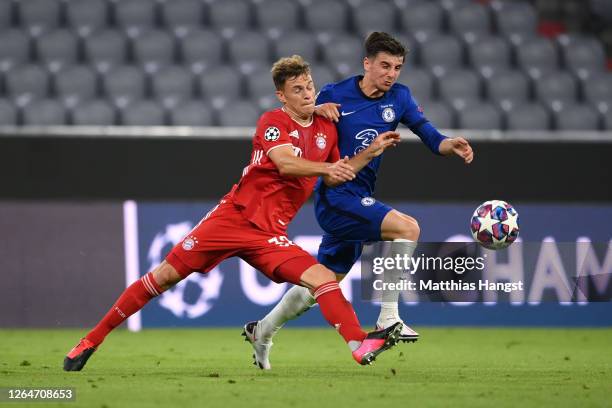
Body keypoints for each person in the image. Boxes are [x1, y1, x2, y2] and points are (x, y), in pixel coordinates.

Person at [63, 55, 404, 371]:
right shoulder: (273, 121)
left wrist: (368, 153)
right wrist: (326, 169)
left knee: (322, 278)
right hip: (232, 219)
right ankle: (90, 340)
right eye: (296, 89)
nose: (306, 94)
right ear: (281, 96)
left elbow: (337, 172)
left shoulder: (326, 129)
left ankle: (359, 344)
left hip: (270, 234)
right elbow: (285, 164)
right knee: (164, 276)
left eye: (309, 86)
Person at [244, 32, 474, 369]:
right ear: (367, 63)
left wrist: (447, 143)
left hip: (360, 194)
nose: (391, 73)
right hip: (335, 195)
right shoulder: (335, 94)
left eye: (397, 67)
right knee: (407, 228)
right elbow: (302, 121)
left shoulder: (400, 97)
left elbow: (427, 132)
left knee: (319, 284)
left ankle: (262, 330)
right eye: (384, 65)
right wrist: (317, 108)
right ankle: (388, 317)